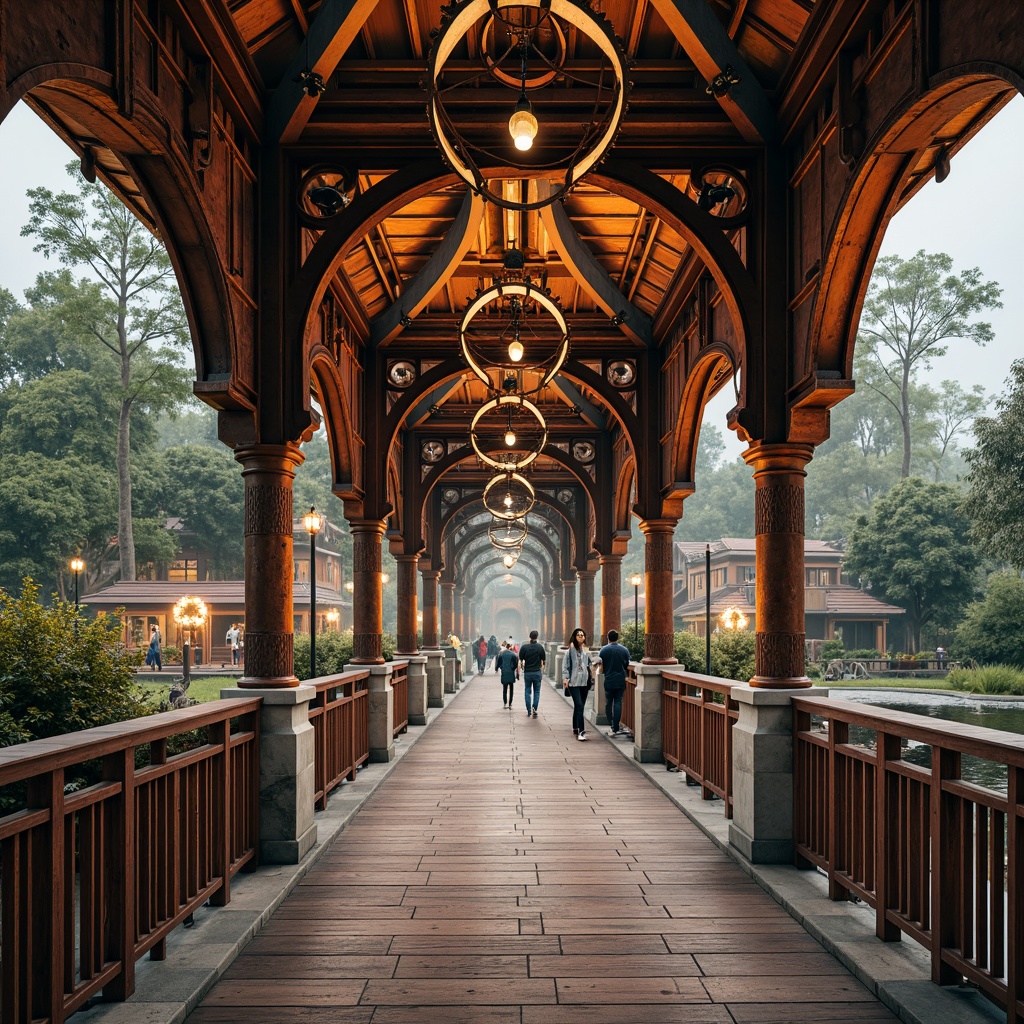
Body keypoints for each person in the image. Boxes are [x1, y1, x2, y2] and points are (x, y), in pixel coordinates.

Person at [562, 627, 594, 741]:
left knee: (579, 706)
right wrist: (565, 678)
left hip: (585, 682)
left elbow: (592, 662)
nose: (581, 636)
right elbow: (565, 665)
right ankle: (582, 731)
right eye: (578, 635)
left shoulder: (586, 650)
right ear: (574, 637)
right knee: (579, 705)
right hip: (573, 682)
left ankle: (575, 727)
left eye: (582, 635)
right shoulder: (570, 650)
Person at [598, 629, 631, 737]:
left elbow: (600, 665)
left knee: (608, 702)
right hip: (620, 680)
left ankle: (610, 722)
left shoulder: (603, 650)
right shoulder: (624, 650)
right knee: (618, 702)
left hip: (608, 679)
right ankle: (615, 726)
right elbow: (627, 664)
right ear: (617, 637)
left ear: (608, 638)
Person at [518, 630, 546, 717]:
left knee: (527, 690)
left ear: (530, 636)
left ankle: (528, 709)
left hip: (528, 672)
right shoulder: (540, 647)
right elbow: (543, 659)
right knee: (537, 691)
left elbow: (520, 659)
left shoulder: (524, 647)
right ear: (537, 637)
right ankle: (535, 707)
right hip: (537, 671)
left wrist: (520, 670)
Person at [495, 641, 519, 709]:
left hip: (504, 672)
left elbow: (498, 663)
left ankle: (505, 703)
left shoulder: (502, 654)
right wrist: (512, 669)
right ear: (511, 647)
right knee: (511, 689)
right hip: (511, 673)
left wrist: (500, 668)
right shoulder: (514, 655)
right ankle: (510, 703)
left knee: (504, 689)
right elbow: (515, 664)